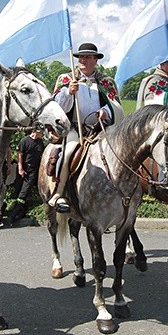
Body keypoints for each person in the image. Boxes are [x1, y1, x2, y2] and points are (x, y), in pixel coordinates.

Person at [48, 43, 123, 212]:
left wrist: (105, 111)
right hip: (76, 128)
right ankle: (59, 193)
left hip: (100, 129)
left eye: (88, 57)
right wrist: (68, 93)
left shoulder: (106, 82)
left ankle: (121, 192)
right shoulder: (66, 79)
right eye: (81, 57)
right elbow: (57, 107)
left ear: (96, 60)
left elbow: (115, 105)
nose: (83, 60)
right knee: (68, 153)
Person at [7, 127, 44, 225]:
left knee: (23, 193)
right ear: (36, 131)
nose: (43, 134)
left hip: (33, 170)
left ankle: (12, 216)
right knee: (18, 191)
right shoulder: (25, 141)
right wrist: (20, 168)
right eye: (41, 132)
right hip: (23, 169)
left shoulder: (40, 142)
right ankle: (21, 213)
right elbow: (20, 155)